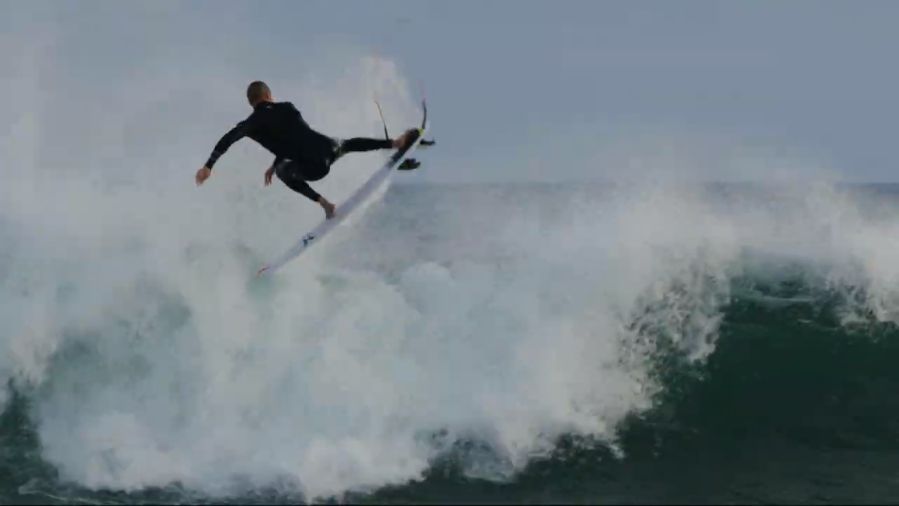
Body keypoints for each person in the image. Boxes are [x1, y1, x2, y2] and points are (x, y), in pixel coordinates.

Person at [195, 81, 417, 219]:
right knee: (348, 143)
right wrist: (274, 162)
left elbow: (228, 138)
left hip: (314, 167)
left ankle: (326, 205)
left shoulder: (251, 123)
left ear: (251, 102)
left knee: (283, 172)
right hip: (328, 148)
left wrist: (208, 165)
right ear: (269, 95)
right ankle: (393, 143)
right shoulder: (288, 107)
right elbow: (294, 137)